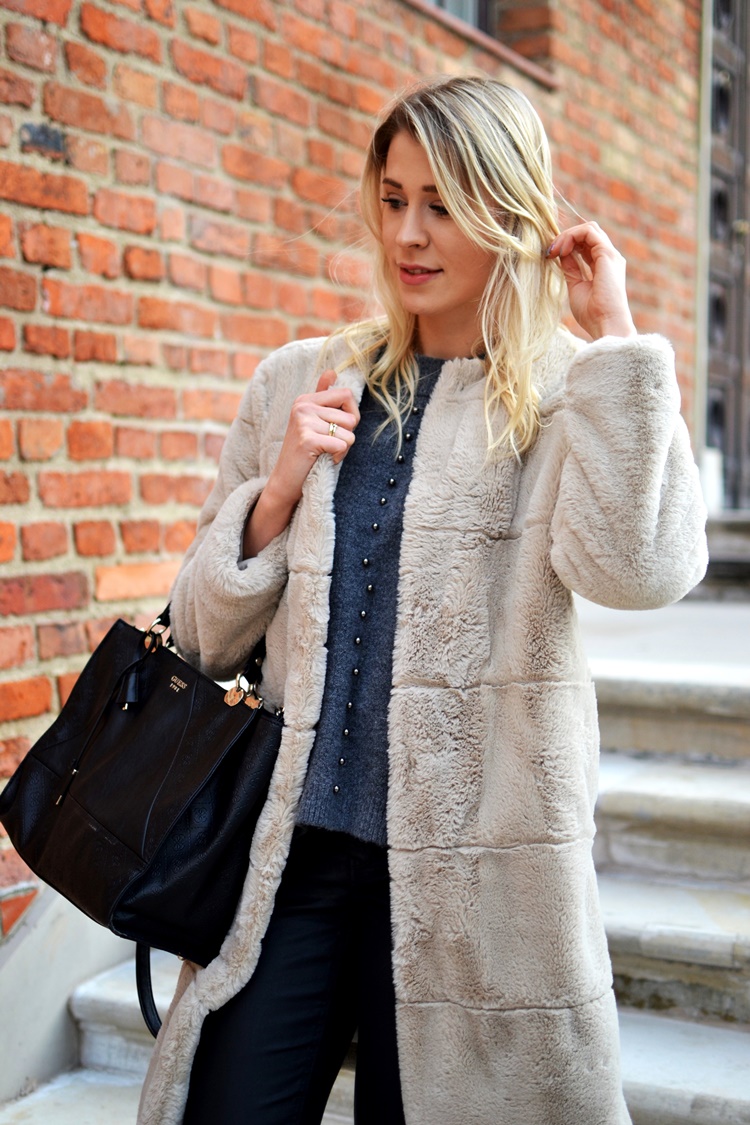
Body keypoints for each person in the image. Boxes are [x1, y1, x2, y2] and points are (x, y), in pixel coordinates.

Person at [138, 77, 708, 1125]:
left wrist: (617, 337)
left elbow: (640, 570)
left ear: (509, 213)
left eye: (442, 205)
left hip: (475, 887)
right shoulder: (300, 382)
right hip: (291, 861)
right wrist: (276, 495)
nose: (408, 234)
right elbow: (201, 636)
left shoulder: (568, 395)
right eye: (394, 198)